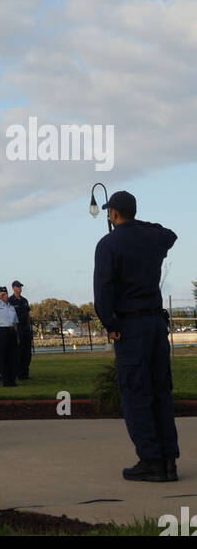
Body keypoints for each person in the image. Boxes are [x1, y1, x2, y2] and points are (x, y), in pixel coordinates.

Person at [92, 189, 179, 482]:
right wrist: (136, 226)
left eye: (109, 212)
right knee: (160, 392)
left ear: (114, 213)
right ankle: (168, 459)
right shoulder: (152, 238)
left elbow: (103, 290)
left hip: (130, 327)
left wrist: (110, 323)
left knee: (136, 393)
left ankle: (151, 459)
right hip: (155, 324)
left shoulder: (108, 244)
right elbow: (169, 234)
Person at [9, 281, 33, 379]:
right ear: (13, 288)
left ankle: (25, 373)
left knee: (27, 353)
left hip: (25, 329)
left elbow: (27, 315)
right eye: (18, 287)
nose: (20, 288)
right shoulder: (10, 300)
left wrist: (29, 328)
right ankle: (18, 373)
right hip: (16, 328)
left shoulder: (24, 300)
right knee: (18, 352)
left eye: (20, 287)